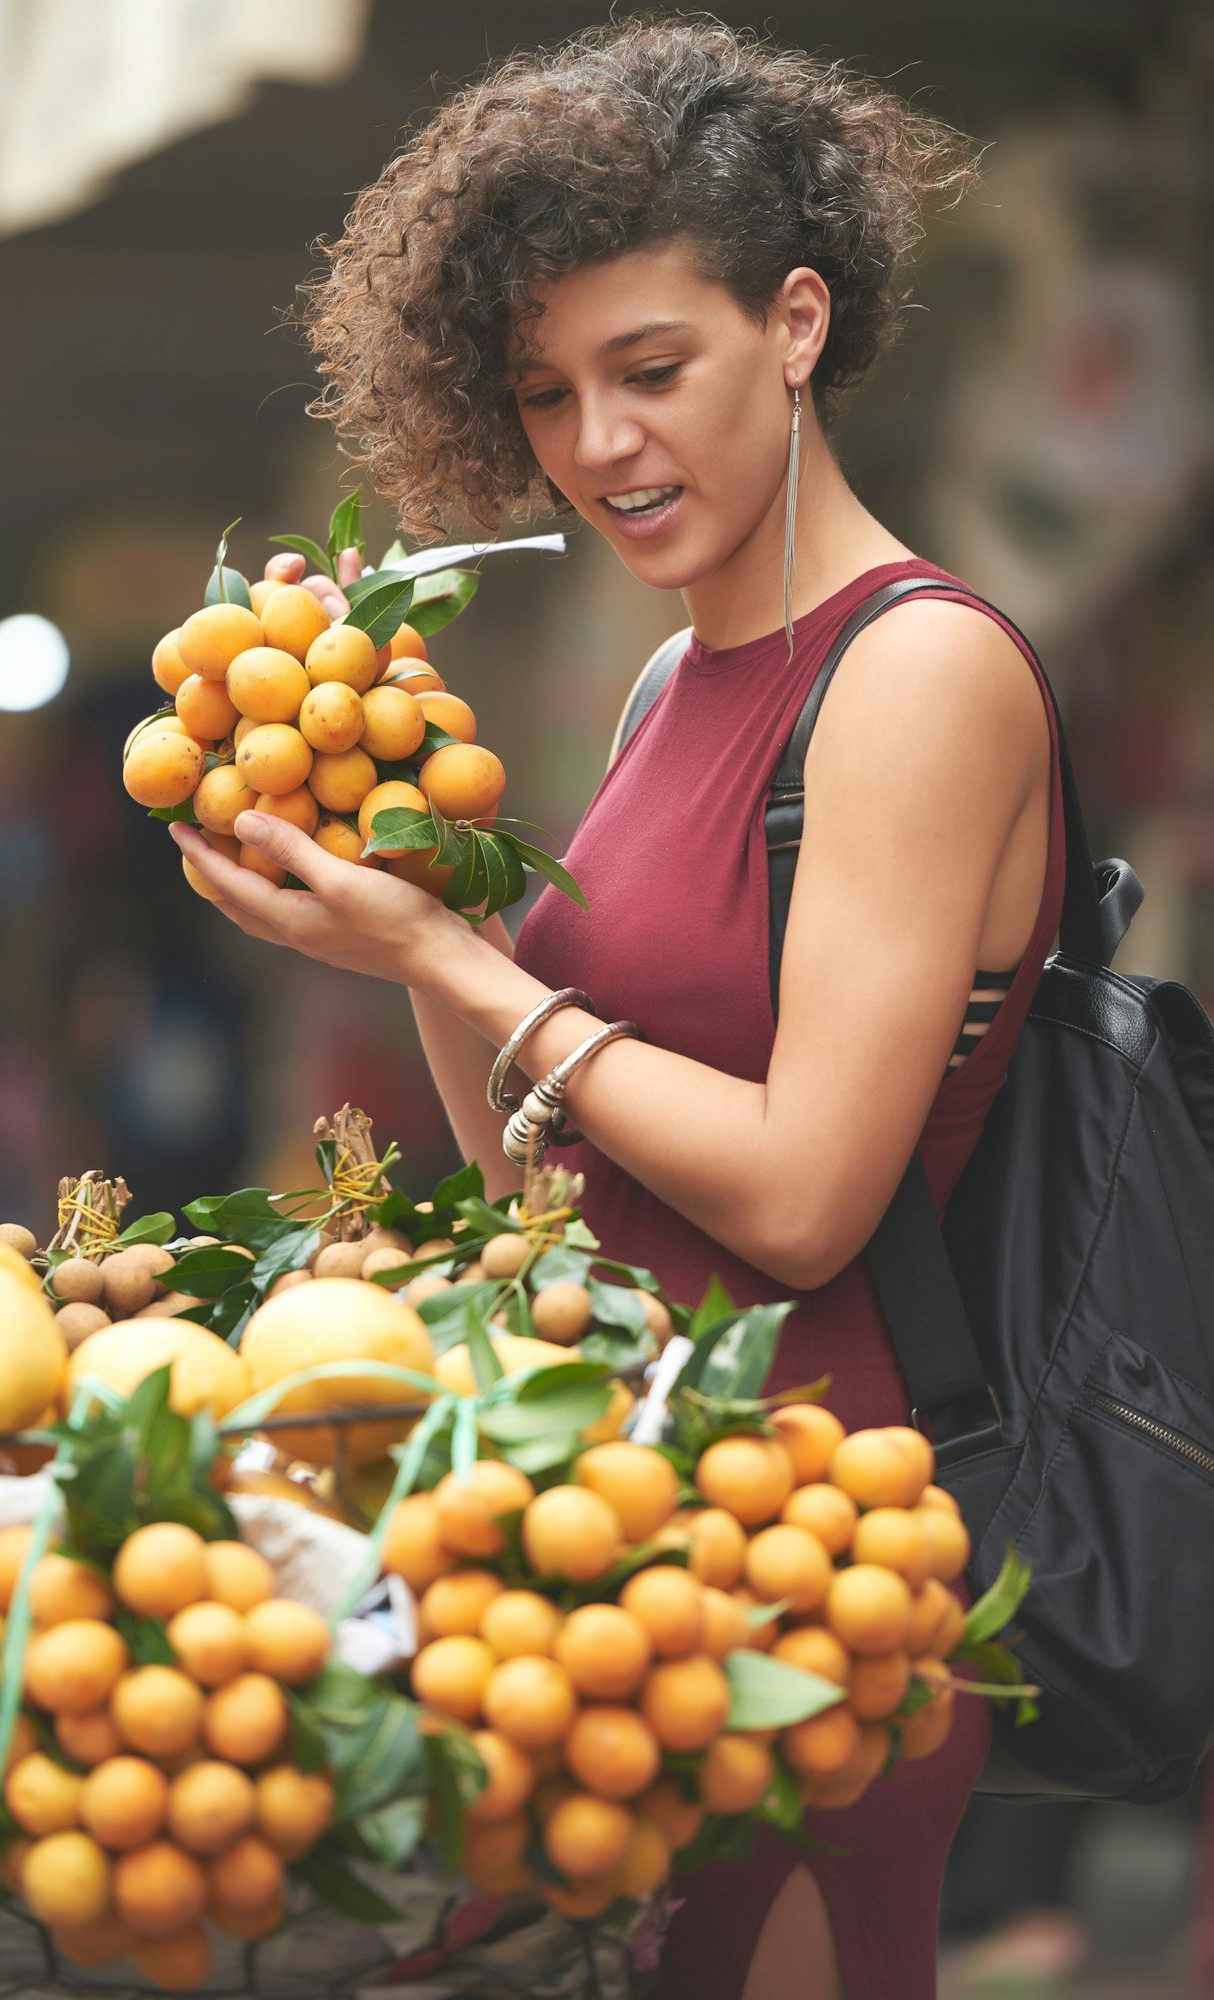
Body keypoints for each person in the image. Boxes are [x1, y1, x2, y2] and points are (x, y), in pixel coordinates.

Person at [171, 18, 1067, 1997]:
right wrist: (407, 910)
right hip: (601, 1588)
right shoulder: (669, 695)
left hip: (807, 1578)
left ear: (799, 323)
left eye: (650, 371)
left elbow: (803, 1196)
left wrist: (439, 955)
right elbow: (544, 1195)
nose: (595, 447)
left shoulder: (916, 675)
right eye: (544, 395)